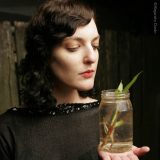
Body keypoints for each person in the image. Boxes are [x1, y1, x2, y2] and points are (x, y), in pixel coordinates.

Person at [0, 0, 150, 160]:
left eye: (95, 45)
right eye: (74, 47)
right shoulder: (8, 130)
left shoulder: (109, 119)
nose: (91, 57)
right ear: (44, 53)